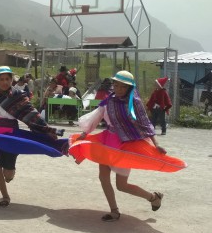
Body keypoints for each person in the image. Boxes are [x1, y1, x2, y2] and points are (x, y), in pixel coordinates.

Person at [70, 71, 186, 222]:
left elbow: (145, 124)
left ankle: (153, 197)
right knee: (103, 177)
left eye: (122, 87)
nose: (118, 89)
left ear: (129, 88)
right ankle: (114, 212)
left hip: (125, 145)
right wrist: (85, 134)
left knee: (121, 185)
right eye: (116, 85)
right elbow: (97, 116)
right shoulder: (109, 100)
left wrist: (156, 144)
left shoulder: (134, 103)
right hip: (106, 142)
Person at [0, 66, 67, 207]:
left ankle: (10, 173)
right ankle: (5, 196)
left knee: (9, 172)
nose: (5, 82)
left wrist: (46, 130)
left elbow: (32, 115)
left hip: (12, 134)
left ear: (11, 80)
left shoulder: (18, 96)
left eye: (7, 79)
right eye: (2, 79)